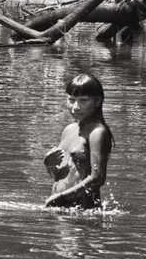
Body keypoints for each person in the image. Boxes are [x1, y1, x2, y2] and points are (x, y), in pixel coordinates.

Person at [43, 73, 114, 209]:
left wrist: (61, 198)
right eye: (71, 99)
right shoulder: (69, 129)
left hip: (84, 213)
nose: (76, 106)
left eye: (83, 100)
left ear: (97, 101)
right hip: (60, 210)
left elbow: (97, 178)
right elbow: (60, 175)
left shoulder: (97, 132)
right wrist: (49, 165)